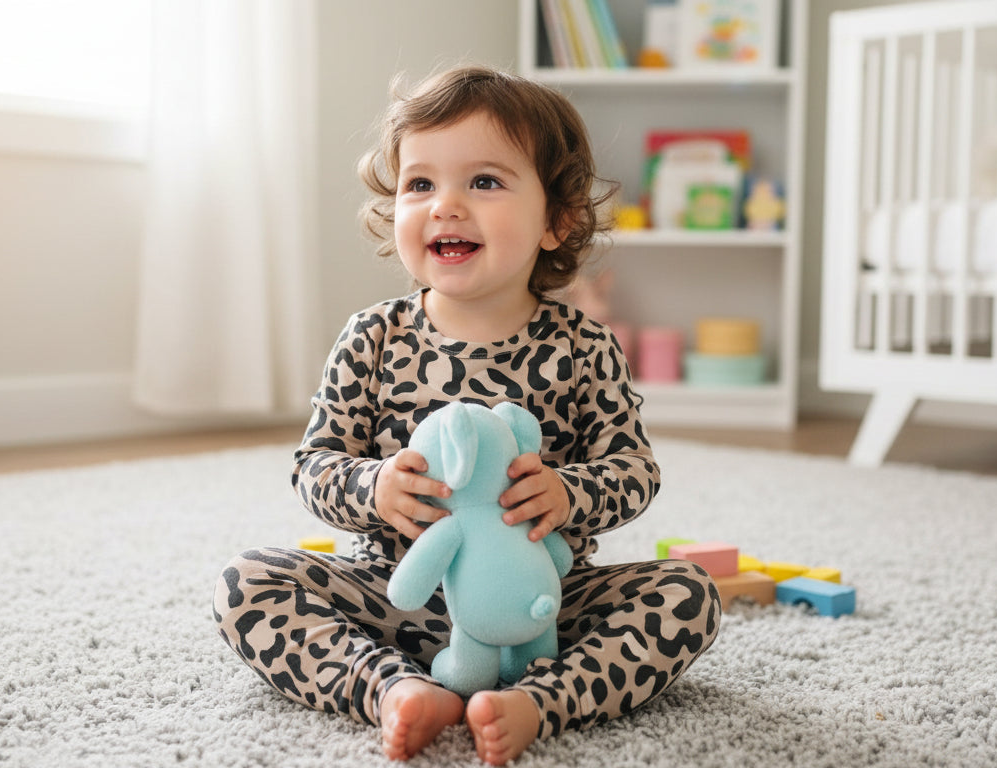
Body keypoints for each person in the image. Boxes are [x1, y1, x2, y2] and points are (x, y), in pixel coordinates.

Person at [213, 64, 721, 765]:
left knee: (687, 594)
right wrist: (375, 487)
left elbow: (634, 469)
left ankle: (540, 700)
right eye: (420, 184)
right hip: (396, 596)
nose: (445, 205)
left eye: (483, 181)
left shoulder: (584, 345)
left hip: (543, 606)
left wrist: (569, 492)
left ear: (557, 221)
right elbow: (314, 465)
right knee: (248, 582)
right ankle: (393, 689)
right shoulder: (373, 336)